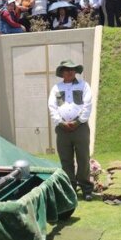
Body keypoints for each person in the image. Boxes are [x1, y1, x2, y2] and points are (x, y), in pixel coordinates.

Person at [47, 60, 94, 201]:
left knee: (83, 158)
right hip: (62, 129)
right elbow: (52, 106)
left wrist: (78, 121)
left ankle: (86, 189)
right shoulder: (56, 88)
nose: (70, 72)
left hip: (80, 127)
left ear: (76, 71)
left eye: (72, 69)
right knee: (66, 160)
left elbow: (88, 104)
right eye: (66, 69)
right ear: (62, 72)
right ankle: (70, 188)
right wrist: (61, 122)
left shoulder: (84, 85)